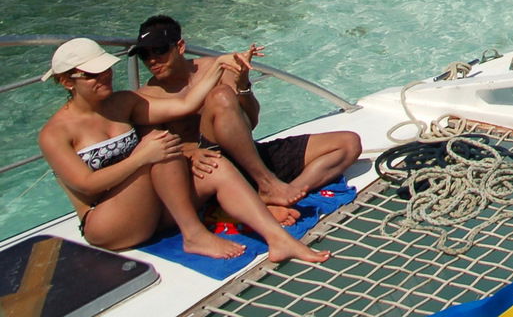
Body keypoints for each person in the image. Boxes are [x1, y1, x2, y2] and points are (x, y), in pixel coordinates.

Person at [37, 38, 330, 264]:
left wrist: (219, 64)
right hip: (109, 222)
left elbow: (185, 105)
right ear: (66, 81)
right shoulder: (55, 133)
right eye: (92, 75)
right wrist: (141, 157)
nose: (104, 78)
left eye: (106, 70)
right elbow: (87, 185)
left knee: (215, 164)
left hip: (152, 208)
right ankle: (194, 235)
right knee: (160, 146)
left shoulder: (123, 102)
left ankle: (279, 240)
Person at [131, 16, 361, 222]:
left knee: (349, 144)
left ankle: (283, 192)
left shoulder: (219, 67)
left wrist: (243, 85)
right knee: (220, 96)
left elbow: (250, 122)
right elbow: (154, 150)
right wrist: (191, 152)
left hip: (247, 155)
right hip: (207, 169)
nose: (152, 60)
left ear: (180, 47)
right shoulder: (147, 99)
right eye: (144, 55)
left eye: (159, 50)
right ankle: (266, 186)